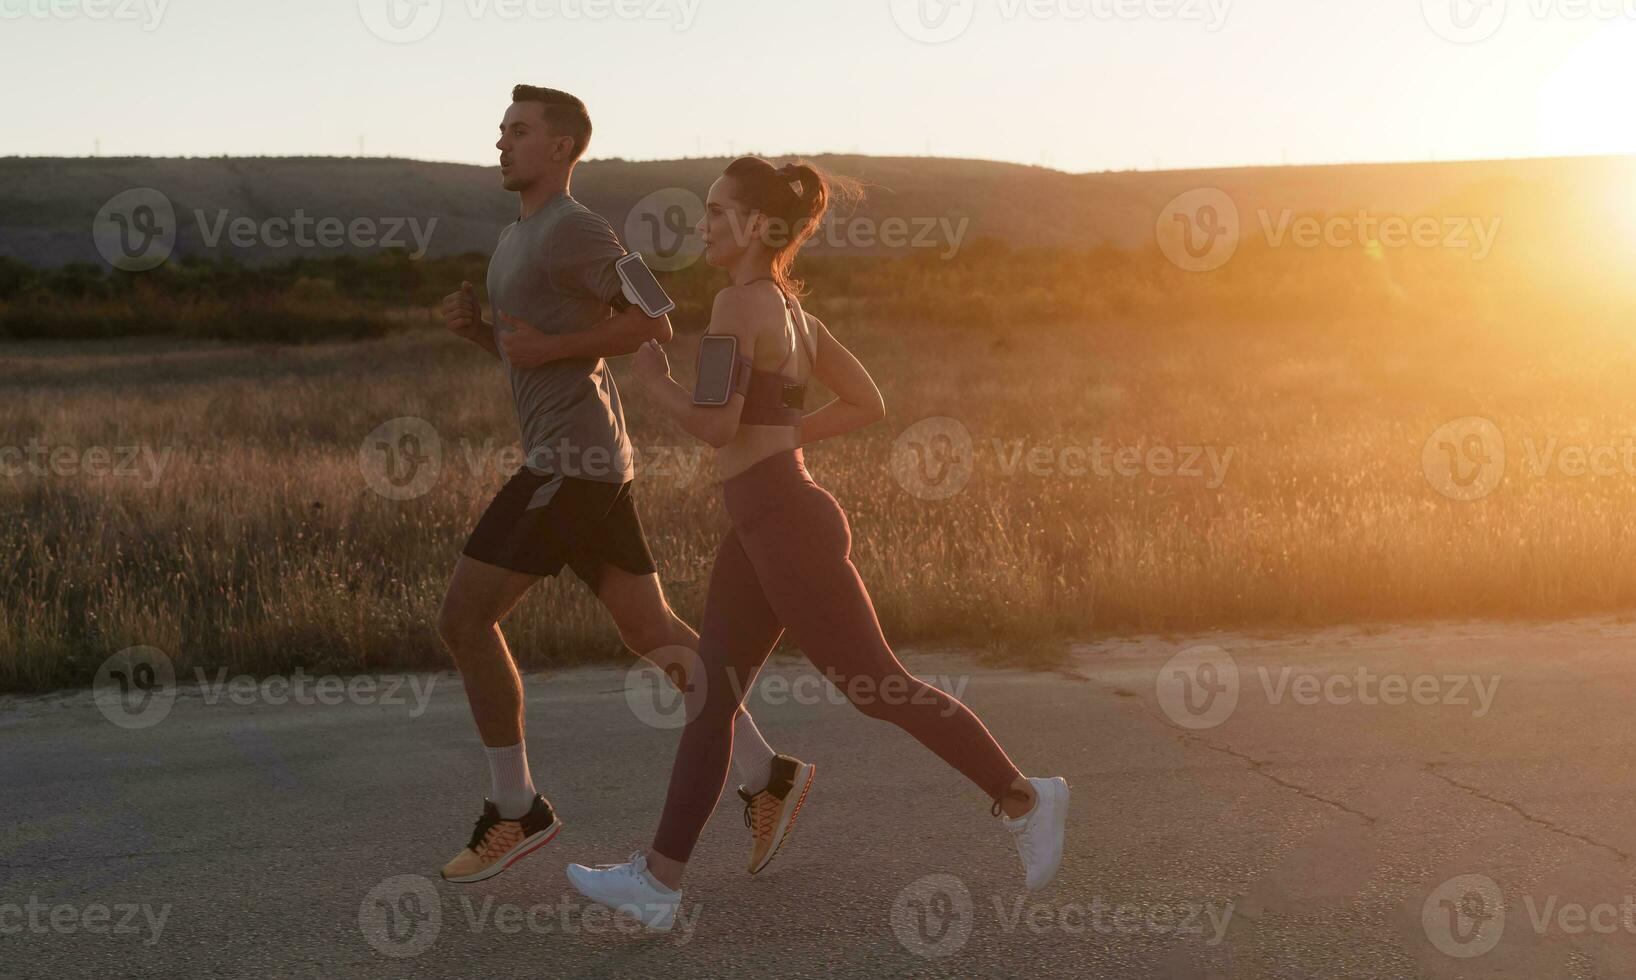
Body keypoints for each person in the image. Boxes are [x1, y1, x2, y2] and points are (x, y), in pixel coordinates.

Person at [564, 156, 1069, 930]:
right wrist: (786, 433)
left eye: (718, 212)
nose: (705, 224)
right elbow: (867, 401)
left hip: (786, 522)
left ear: (760, 228)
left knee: (875, 685)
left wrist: (654, 380)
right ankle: (659, 884)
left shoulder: (738, 303)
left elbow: (714, 426)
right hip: (767, 521)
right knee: (711, 697)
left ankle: (1024, 797)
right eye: (706, 210)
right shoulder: (794, 314)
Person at [434, 89, 811, 883]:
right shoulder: (514, 239)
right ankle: (766, 771)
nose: (501, 141)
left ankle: (517, 809)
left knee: (465, 618)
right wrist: (483, 336)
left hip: (571, 465)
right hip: (585, 461)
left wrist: (556, 344)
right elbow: (534, 357)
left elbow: (658, 314)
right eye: (502, 129)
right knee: (652, 631)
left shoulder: (579, 229)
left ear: (563, 147)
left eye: (520, 131)